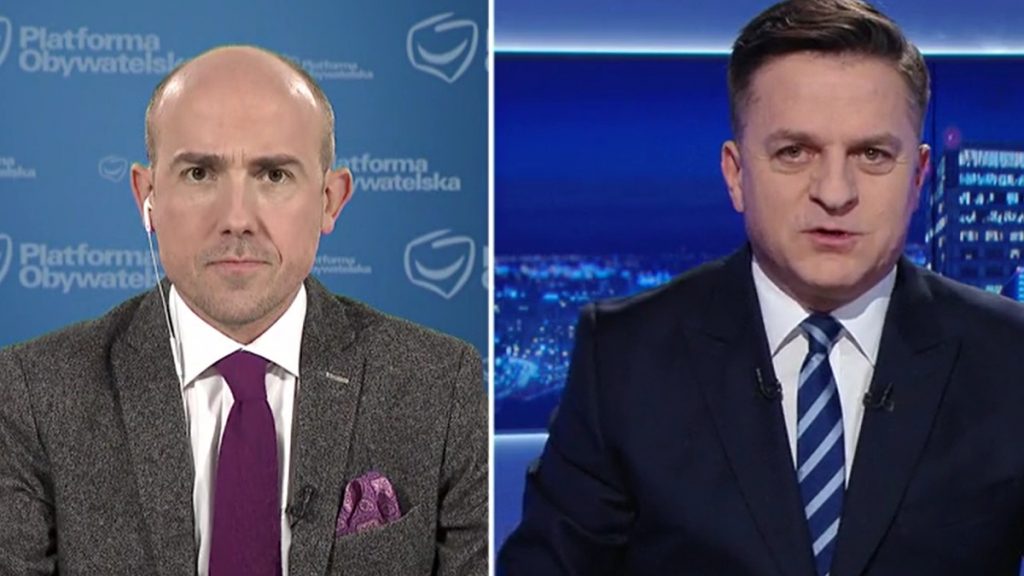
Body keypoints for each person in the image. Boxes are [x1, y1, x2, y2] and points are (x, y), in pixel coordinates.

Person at [499, 1, 1024, 574]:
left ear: (918, 177)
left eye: (872, 154)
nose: (834, 192)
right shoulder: (626, 356)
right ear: (736, 173)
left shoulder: (1009, 358)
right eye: (794, 152)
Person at [0, 45, 487, 576]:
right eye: (199, 174)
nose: (236, 219)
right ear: (148, 197)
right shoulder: (33, 395)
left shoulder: (440, 386)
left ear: (329, 200)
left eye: (273, 175)